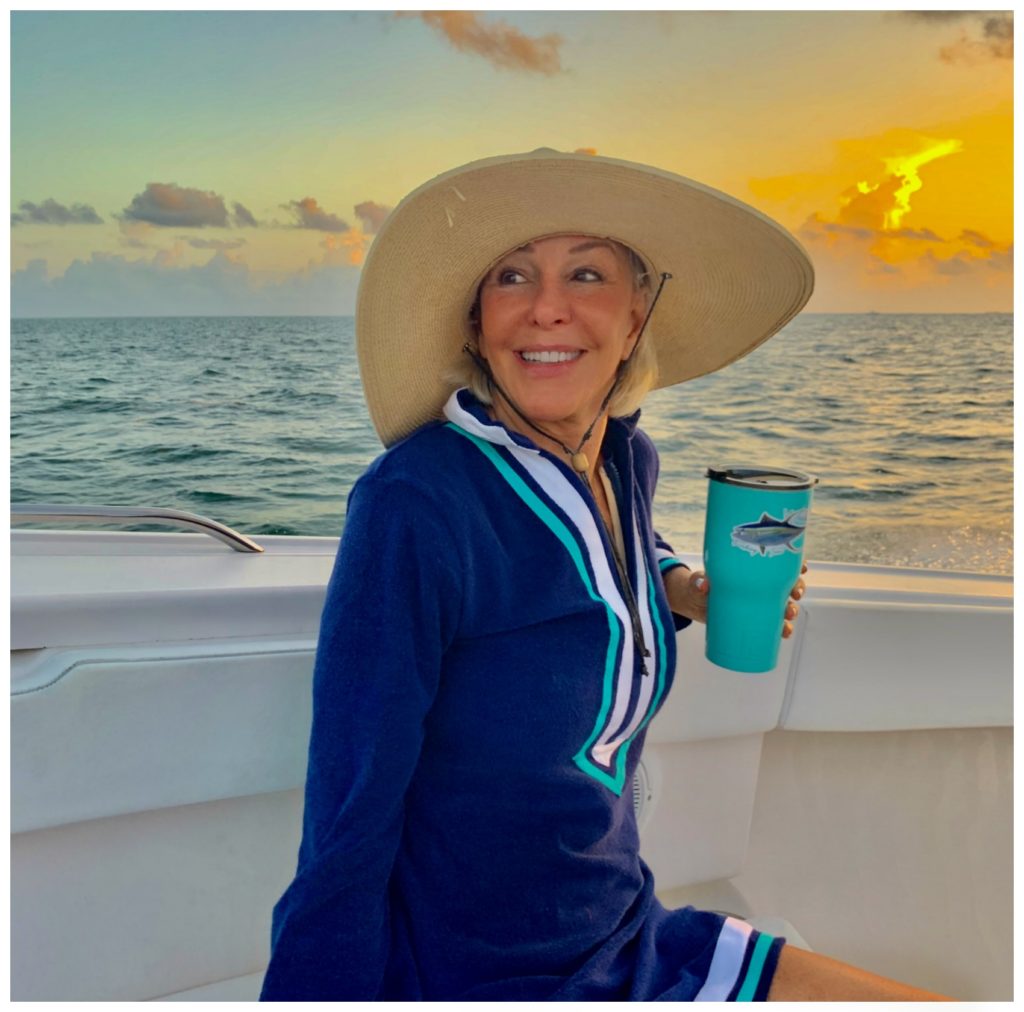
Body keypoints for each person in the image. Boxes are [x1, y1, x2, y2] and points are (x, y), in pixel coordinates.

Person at [260, 149, 948, 1001]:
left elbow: (610, 548)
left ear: (635, 317)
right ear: (477, 322)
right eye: (512, 277)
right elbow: (347, 814)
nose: (548, 308)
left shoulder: (624, 459)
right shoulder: (415, 503)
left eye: (586, 274)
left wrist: (681, 585)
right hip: (483, 973)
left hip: (628, 927)